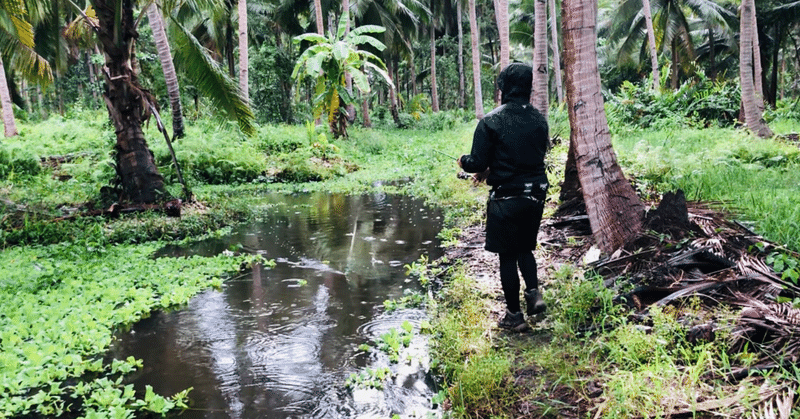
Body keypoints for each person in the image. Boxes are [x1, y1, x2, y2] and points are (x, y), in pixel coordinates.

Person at [457, 62, 549, 332]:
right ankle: (534, 296)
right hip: (536, 195)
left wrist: (465, 162)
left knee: (507, 256)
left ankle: (514, 316)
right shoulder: (539, 120)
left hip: (506, 199)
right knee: (525, 249)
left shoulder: (491, 121)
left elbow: (476, 161)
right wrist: (492, 169)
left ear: (503, 89)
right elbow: (526, 157)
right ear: (529, 88)